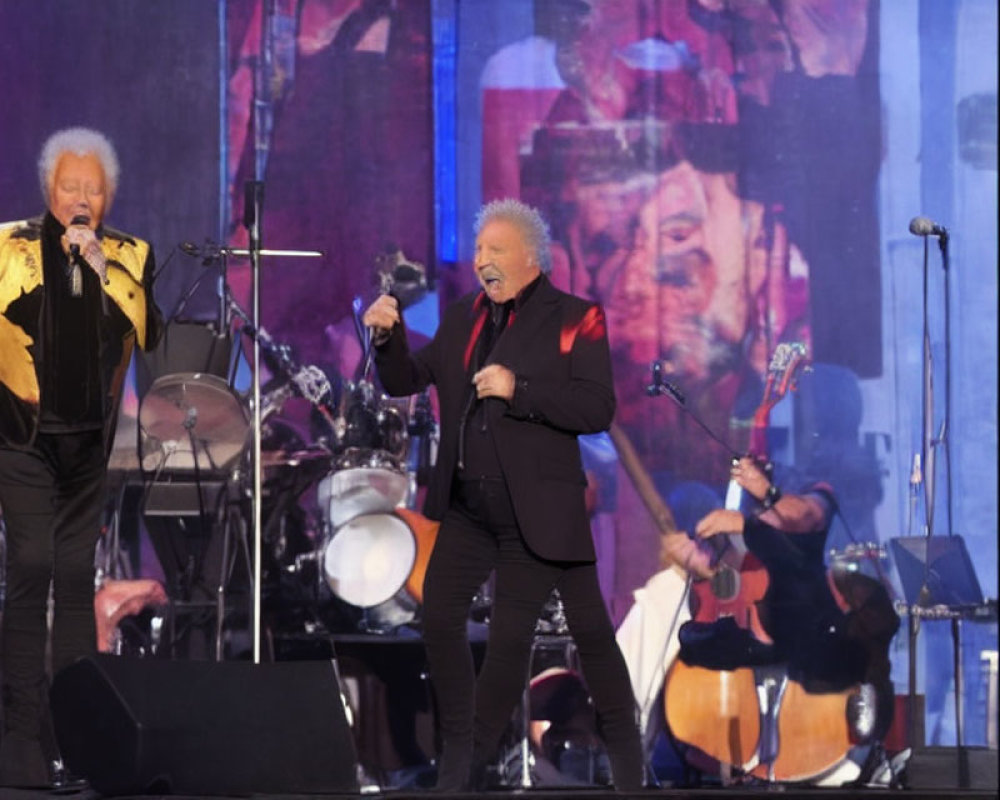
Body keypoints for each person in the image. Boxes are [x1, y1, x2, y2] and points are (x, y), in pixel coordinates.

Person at [362, 198, 644, 792]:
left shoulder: (576, 317)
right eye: (478, 250)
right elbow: (405, 380)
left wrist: (521, 390)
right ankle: (462, 755)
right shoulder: (463, 317)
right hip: (467, 505)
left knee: (526, 641)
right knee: (438, 618)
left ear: (529, 256)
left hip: (534, 512)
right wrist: (386, 340)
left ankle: (612, 769)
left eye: (494, 249)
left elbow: (597, 408)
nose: (481, 259)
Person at [0, 127, 163, 787]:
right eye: (71, 185)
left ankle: (72, 740)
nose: (82, 197)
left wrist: (101, 267)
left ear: (110, 196)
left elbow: (148, 331)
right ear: (49, 189)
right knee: (31, 564)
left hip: (87, 447)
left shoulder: (128, 254)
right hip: (21, 438)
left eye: (94, 188)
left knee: (75, 582)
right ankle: (18, 735)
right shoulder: (7, 247)